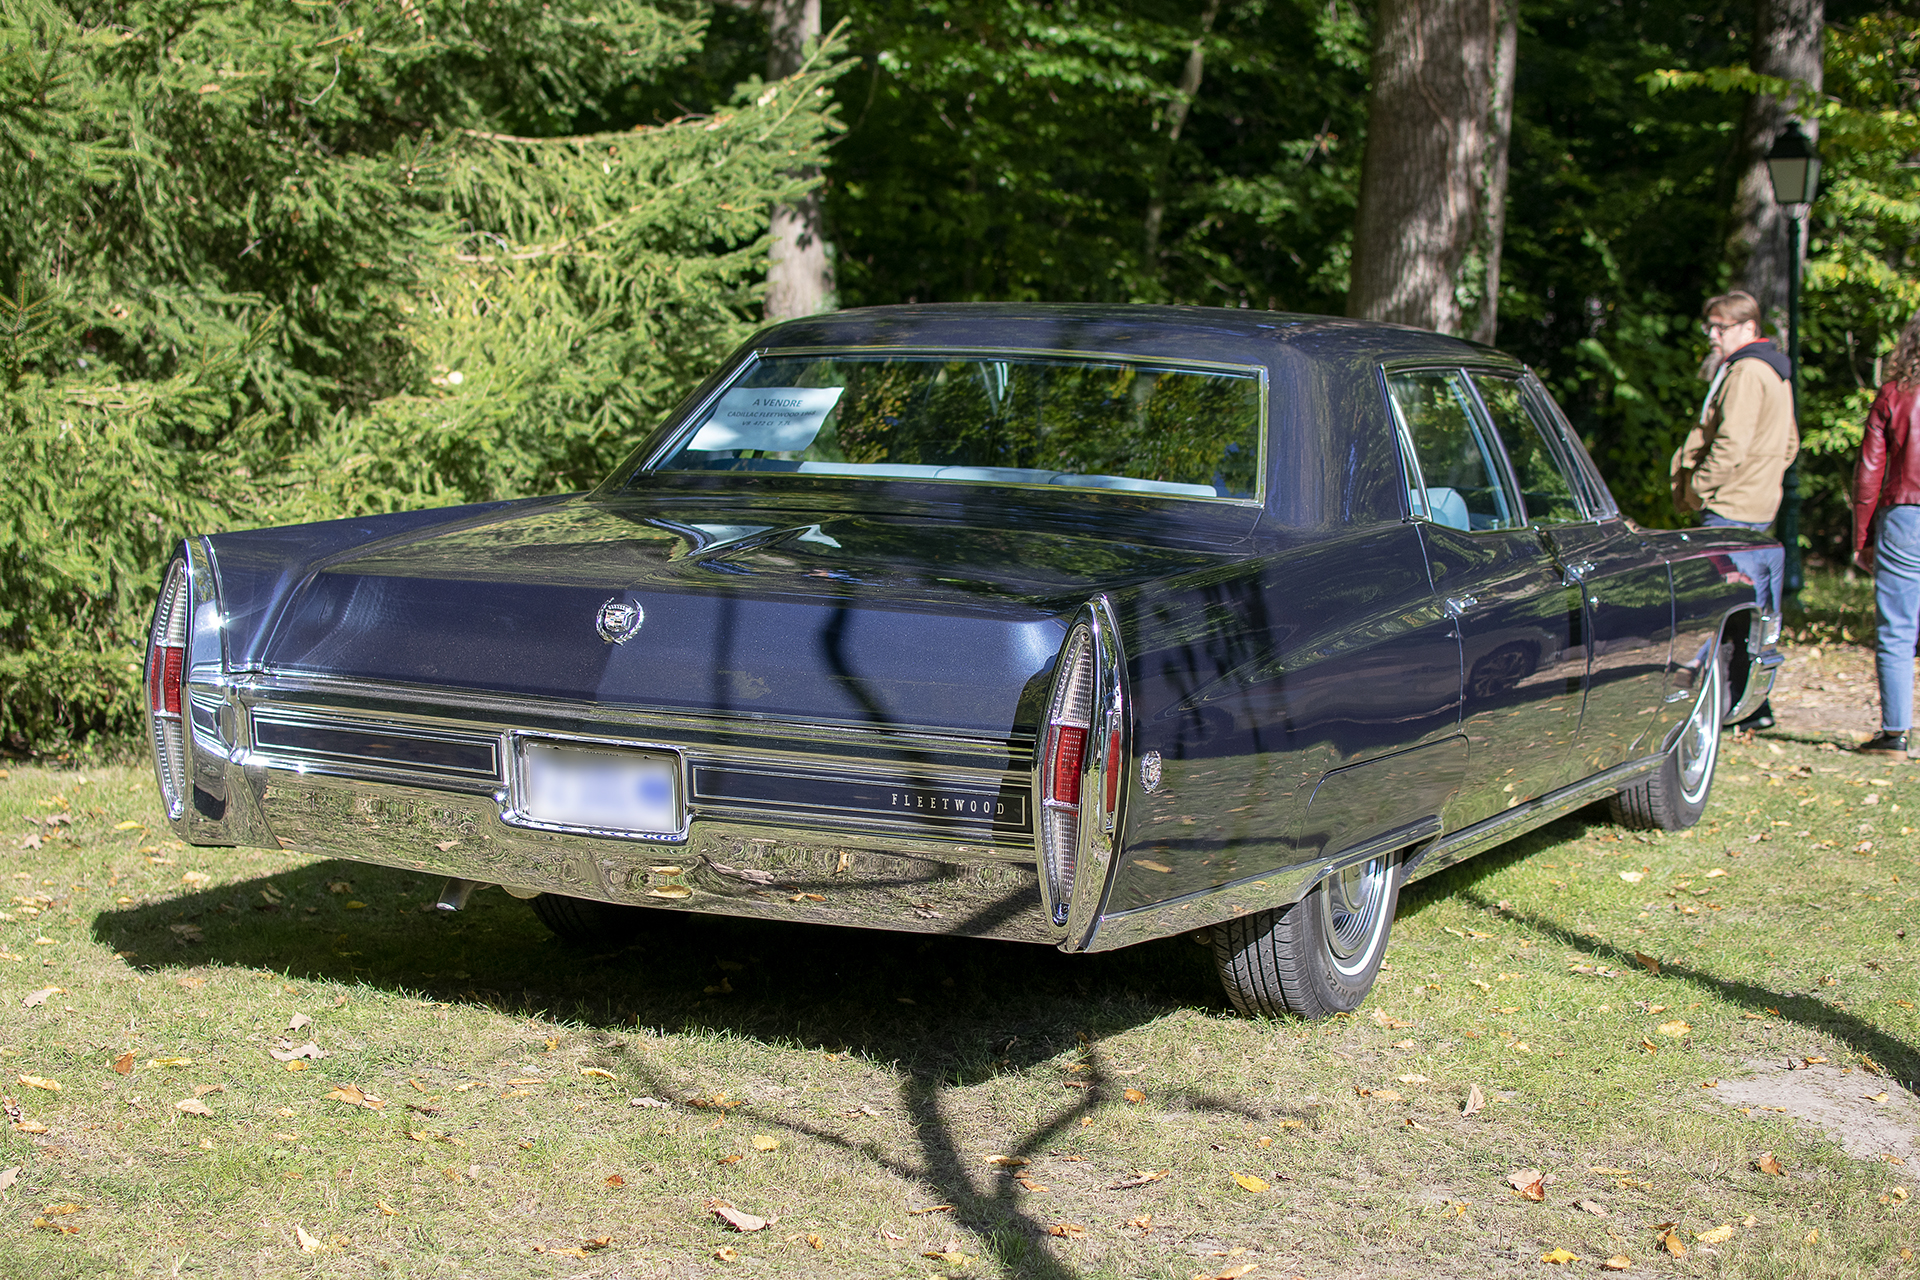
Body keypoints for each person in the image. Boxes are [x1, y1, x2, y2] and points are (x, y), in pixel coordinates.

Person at [1670, 290, 1800, 731]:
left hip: (1729, 507)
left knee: (1720, 611)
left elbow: (1731, 444)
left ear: (1748, 327)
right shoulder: (1775, 371)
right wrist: (1765, 480)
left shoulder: (1746, 372)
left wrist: (1698, 488)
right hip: (1758, 506)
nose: (1712, 335)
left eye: (1720, 327)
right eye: (1710, 326)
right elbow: (1789, 444)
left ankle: (1723, 706)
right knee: (1754, 609)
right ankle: (1752, 706)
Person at [1851, 309, 1920, 757]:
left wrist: (1863, 537)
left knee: (1897, 628)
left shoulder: (1895, 394)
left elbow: (1869, 473)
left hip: (1905, 516)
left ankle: (1895, 734)